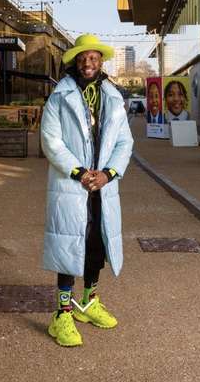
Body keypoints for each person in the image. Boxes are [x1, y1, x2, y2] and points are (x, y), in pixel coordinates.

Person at [40, 33, 133, 347]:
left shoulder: (113, 96)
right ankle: (62, 314)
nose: (88, 63)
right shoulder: (59, 96)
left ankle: (89, 302)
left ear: (100, 61)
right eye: (83, 58)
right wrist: (80, 173)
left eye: (93, 58)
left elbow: (125, 142)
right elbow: (51, 142)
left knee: (96, 245)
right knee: (69, 247)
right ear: (76, 62)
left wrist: (108, 174)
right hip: (72, 185)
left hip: (102, 186)